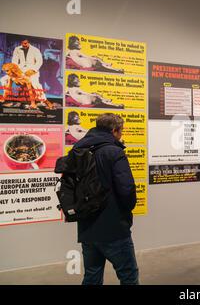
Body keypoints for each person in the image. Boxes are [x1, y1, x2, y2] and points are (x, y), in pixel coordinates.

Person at [73, 113, 138, 285]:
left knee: (92, 276)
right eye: (121, 131)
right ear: (115, 130)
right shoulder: (114, 151)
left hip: (87, 227)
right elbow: (126, 189)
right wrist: (127, 210)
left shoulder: (78, 150)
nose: (121, 134)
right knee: (128, 275)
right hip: (113, 226)